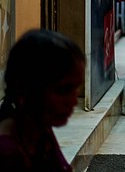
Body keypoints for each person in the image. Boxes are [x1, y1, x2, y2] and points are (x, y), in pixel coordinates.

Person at [0, 29, 86, 172]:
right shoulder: (8, 155)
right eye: (63, 90)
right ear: (26, 90)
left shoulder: (39, 132)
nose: (74, 102)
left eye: (76, 90)